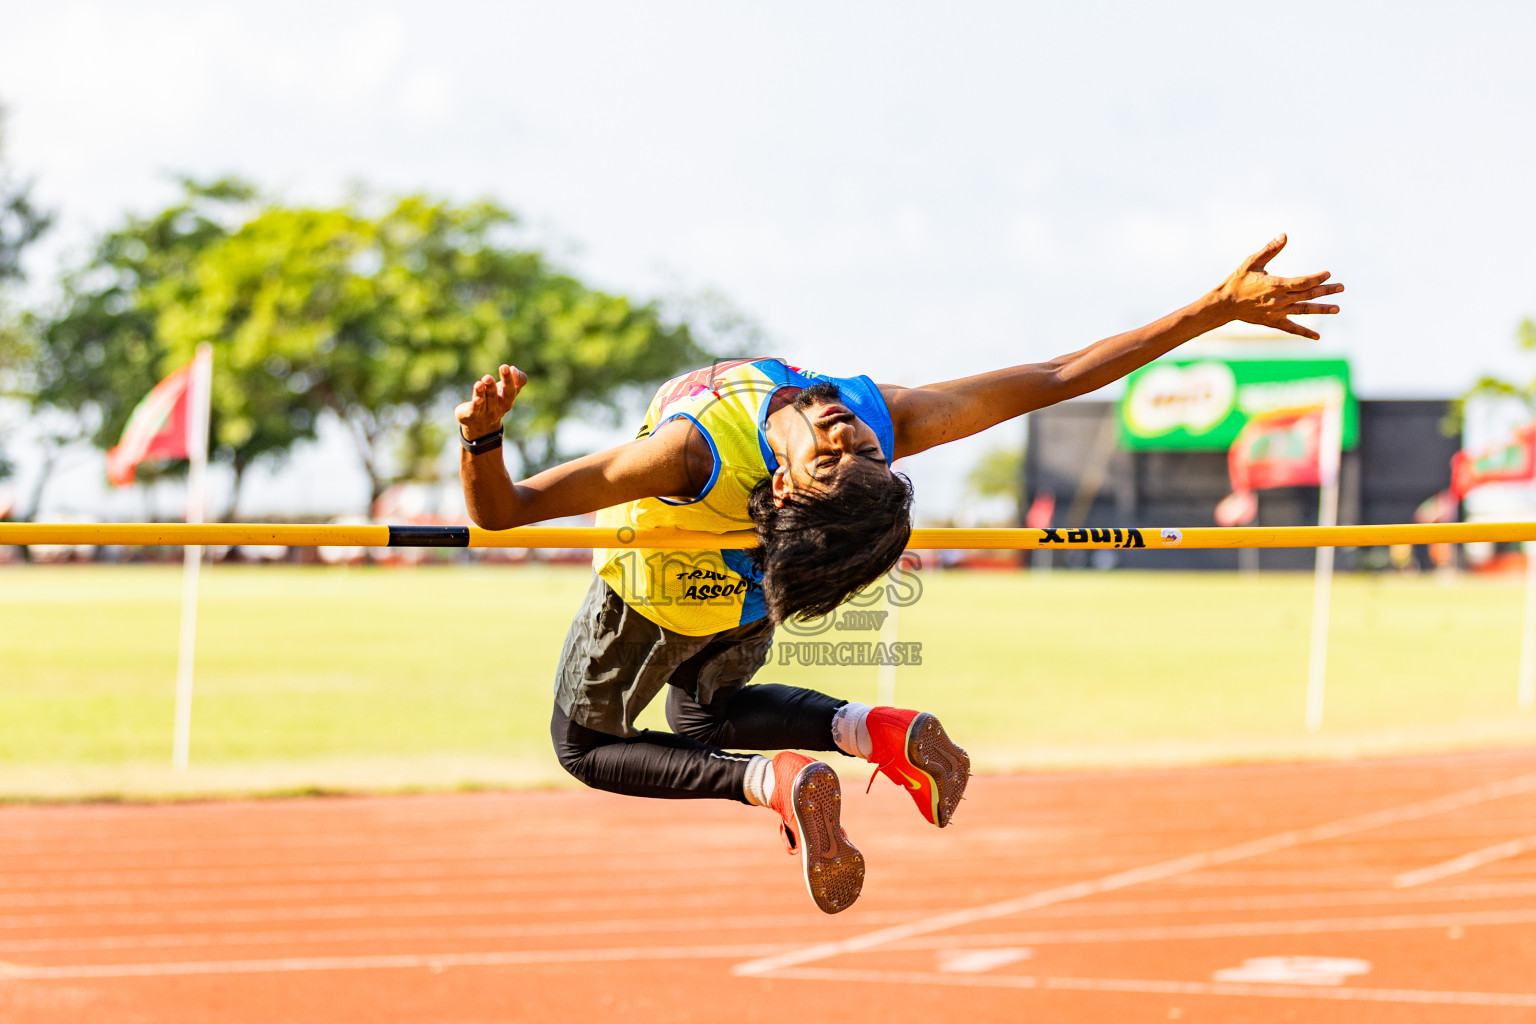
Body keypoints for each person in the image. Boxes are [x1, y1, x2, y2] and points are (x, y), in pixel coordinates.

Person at [455, 235, 1343, 914]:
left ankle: (768, 783)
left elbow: (501, 511)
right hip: (755, 586)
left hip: (656, 589)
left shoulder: (691, 453)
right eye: (858, 447)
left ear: (786, 485)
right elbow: (1052, 377)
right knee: (705, 712)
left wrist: (481, 438)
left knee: (583, 746)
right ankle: (866, 729)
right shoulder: (880, 414)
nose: (847, 431)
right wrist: (1208, 311)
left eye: (843, 452)